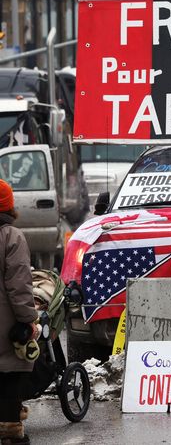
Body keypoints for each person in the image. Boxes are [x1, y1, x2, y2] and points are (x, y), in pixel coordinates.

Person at [0, 179, 39, 445]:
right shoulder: (11, 237)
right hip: (5, 322)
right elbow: (20, 285)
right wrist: (28, 320)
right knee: (10, 374)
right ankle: (11, 431)